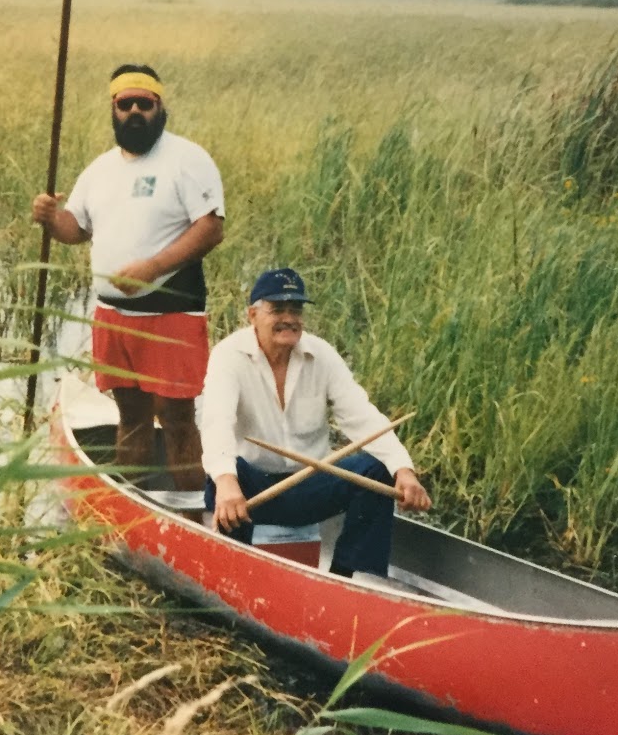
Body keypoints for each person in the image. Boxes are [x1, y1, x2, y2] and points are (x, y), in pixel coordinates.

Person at [32, 64, 224, 489]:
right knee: (131, 418)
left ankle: (192, 514)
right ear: (113, 109)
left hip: (172, 314)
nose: (135, 111)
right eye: (125, 104)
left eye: (145, 103)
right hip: (113, 316)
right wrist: (50, 218)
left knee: (176, 420)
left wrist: (152, 268)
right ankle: (131, 502)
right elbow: (76, 229)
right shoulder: (99, 169)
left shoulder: (187, 159)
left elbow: (211, 228)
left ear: (160, 107)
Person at [199, 267, 431, 578]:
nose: (289, 318)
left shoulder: (321, 354)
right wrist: (227, 482)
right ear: (252, 315)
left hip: (308, 485)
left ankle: (348, 579)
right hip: (248, 492)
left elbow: (361, 416)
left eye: (295, 309)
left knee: (376, 470)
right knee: (225, 474)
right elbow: (216, 422)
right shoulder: (229, 355)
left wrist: (404, 470)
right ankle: (232, 576)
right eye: (277, 309)